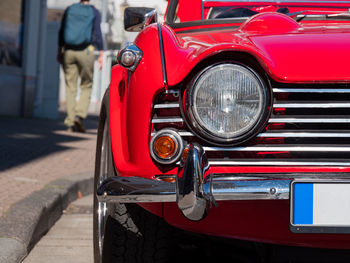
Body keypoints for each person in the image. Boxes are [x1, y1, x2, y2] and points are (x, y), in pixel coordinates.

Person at [57, 0, 103, 132]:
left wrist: (59, 50)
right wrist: (100, 53)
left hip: (69, 51)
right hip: (85, 51)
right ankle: (79, 115)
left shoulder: (70, 9)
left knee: (70, 87)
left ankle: (70, 122)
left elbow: (61, 31)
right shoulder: (94, 11)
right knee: (86, 84)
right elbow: (98, 33)